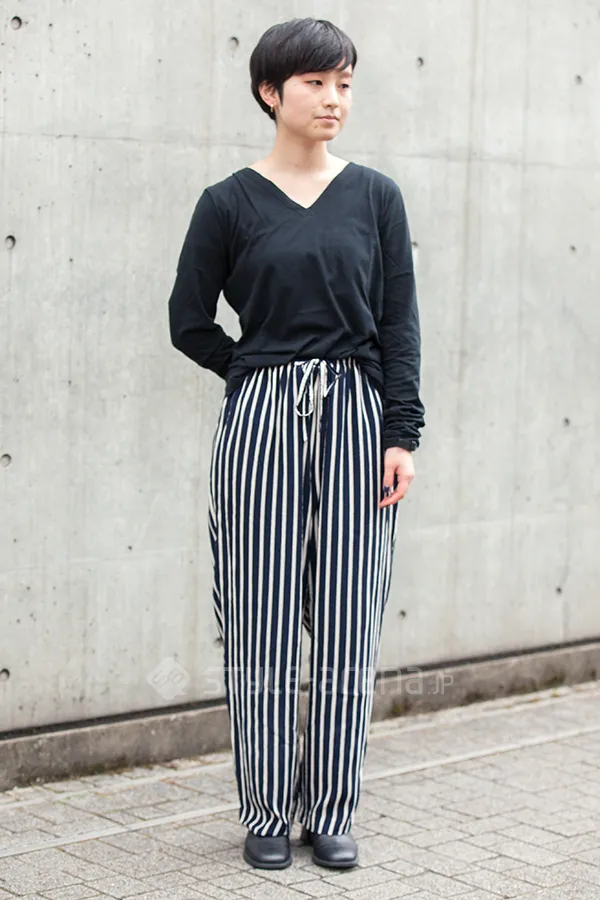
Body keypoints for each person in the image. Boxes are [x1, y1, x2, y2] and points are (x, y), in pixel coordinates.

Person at [168, 16, 425, 873]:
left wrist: (401, 433)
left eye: (345, 83)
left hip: (356, 414)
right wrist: (254, 372)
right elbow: (187, 320)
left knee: (349, 614)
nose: (334, 99)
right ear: (270, 92)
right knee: (261, 615)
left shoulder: (376, 197)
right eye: (316, 83)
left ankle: (334, 809)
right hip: (261, 421)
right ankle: (268, 810)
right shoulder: (228, 203)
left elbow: (399, 323)